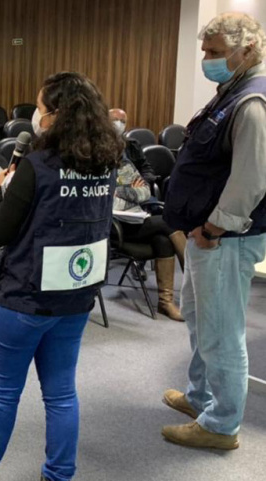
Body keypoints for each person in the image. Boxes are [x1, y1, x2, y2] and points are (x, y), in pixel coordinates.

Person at [0, 72, 121, 481]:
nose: (36, 116)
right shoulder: (106, 162)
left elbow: (0, 232)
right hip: (76, 295)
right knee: (62, 393)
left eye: (40, 108)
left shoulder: (37, 165)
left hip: (26, 297)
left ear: (57, 115)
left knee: (3, 392)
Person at [161, 12, 266, 451]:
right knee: (200, 320)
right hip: (208, 236)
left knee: (221, 332)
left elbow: (250, 180)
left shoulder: (252, 103)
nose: (207, 59)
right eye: (205, 50)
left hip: (222, 238)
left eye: (216, 52)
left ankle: (221, 426)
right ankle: (201, 397)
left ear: (248, 51)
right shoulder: (230, 93)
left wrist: (213, 228)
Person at [111, 155, 186, 321]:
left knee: (163, 241)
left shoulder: (124, 163)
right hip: (116, 226)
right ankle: (197, 284)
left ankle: (165, 302)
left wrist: (120, 191)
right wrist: (131, 193)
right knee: (168, 223)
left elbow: (145, 192)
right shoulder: (96, 168)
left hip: (137, 220)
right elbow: (110, 203)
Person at [109, 109, 157, 184]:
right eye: (115, 120)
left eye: (123, 121)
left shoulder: (132, 144)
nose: (119, 124)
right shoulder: (97, 145)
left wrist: (143, 182)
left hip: (134, 186)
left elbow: (146, 168)